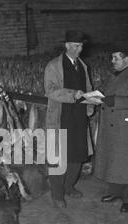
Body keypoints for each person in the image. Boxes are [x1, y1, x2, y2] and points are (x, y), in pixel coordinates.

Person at [44, 30, 100, 209]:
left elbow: (89, 89)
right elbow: (50, 91)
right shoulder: (53, 66)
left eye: (82, 46)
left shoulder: (83, 66)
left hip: (79, 118)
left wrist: (90, 105)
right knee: (58, 158)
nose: (80, 49)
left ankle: (69, 187)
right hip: (61, 117)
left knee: (77, 155)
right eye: (76, 46)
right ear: (67, 45)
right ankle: (57, 194)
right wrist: (73, 94)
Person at [93, 45, 128, 213]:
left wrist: (113, 101)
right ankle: (115, 192)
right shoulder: (115, 74)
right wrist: (95, 96)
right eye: (112, 58)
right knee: (114, 160)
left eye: (116, 58)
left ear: (127, 59)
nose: (112, 61)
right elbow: (106, 92)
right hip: (114, 125)